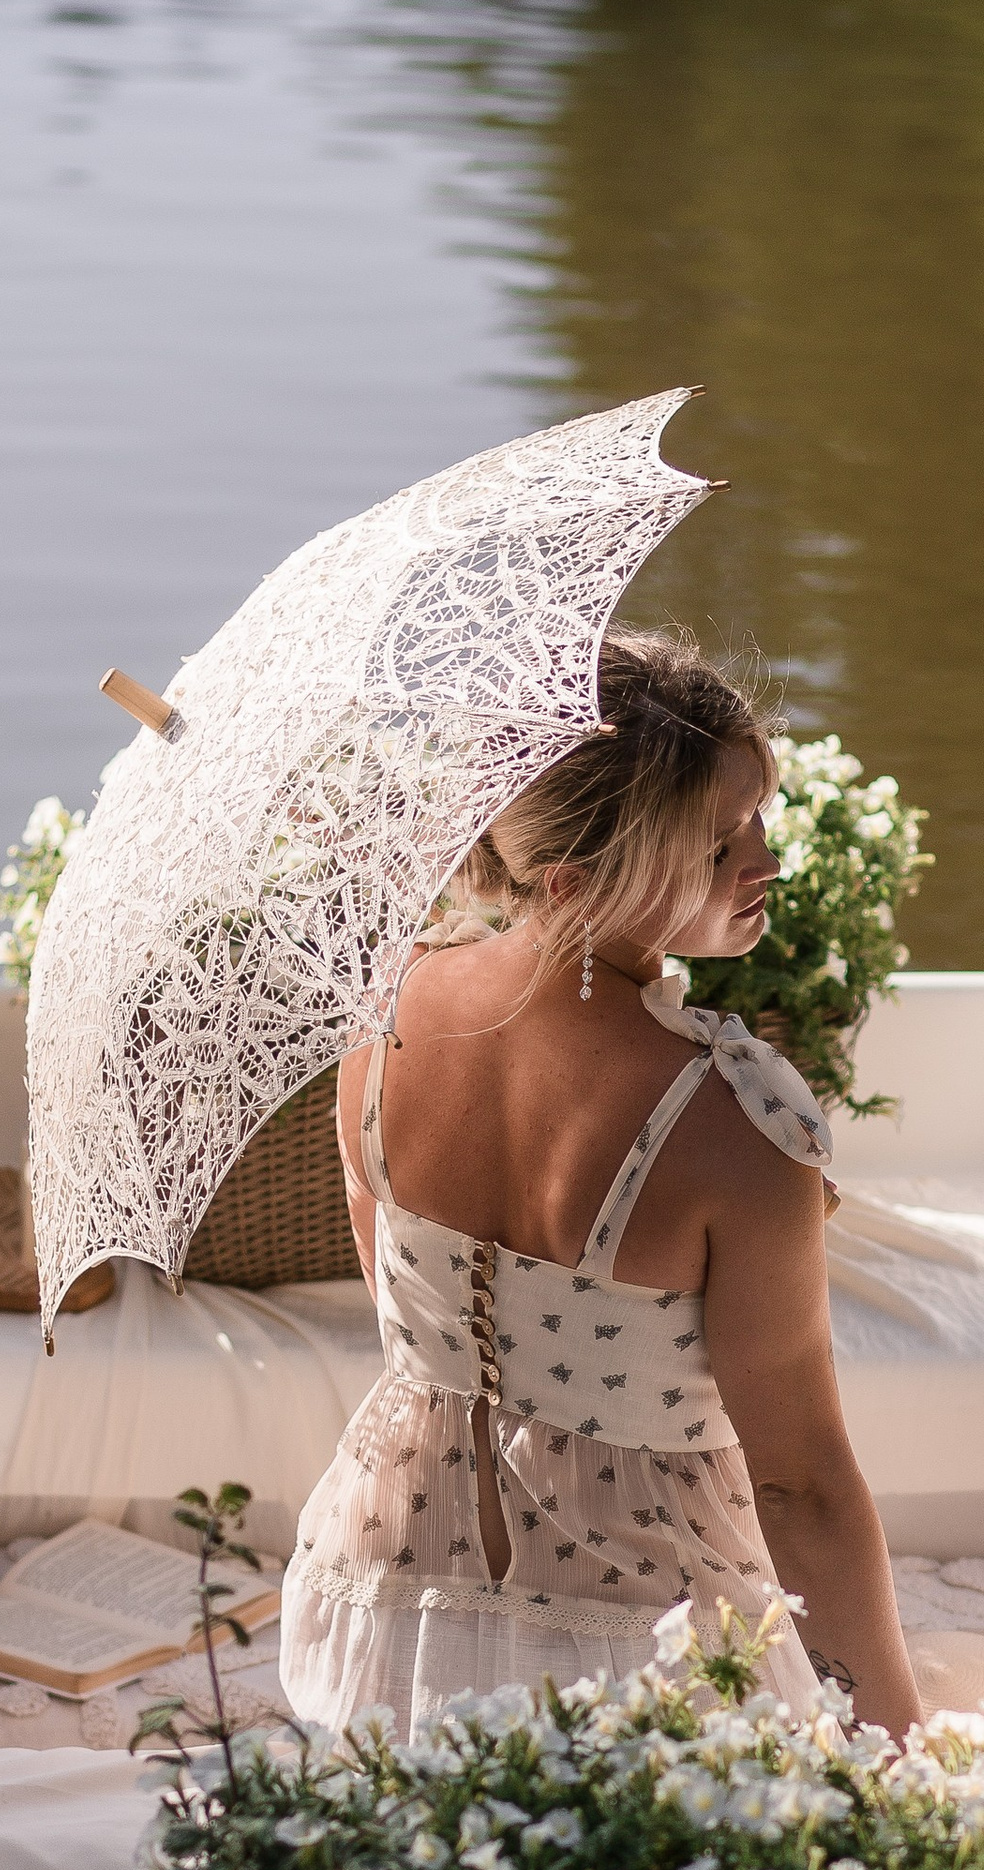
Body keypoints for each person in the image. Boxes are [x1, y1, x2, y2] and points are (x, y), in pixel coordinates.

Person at [278, 633, 924, 1741]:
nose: (766, 861)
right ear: (577, 880)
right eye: (716, 847)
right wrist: (897, 1751)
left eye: (757, 817)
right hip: (637, 1666)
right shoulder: (734, 1126)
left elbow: (409, 1315)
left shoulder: (381, 1016)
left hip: (383, 1621)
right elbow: (799, 1489)